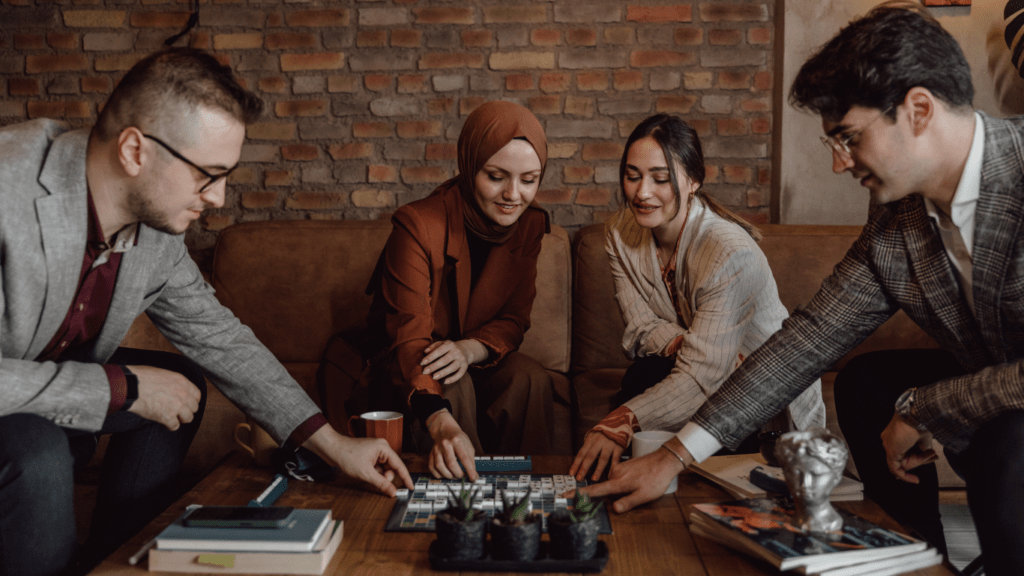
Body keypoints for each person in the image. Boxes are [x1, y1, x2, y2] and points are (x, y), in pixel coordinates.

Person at [583, 4, 1024, 574]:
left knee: (1012, 444)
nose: (840, 163)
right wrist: (671, 457)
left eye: (848, 137)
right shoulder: (898, 219)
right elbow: (808, 339)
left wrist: (928, 407)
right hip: (994, 378)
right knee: (867, 384)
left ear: (918, 110)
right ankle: (919, 557)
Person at [0, 47, 412, 576]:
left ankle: (115, 561)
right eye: (207, 174)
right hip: (19, 429)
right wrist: (120, 387)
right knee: (38, 446)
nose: (218, 198)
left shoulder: (155, 234)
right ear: (134, 150)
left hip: (41, 403)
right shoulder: (9, 189)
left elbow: (223, 340)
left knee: (177, 384)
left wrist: (333, 444)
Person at [568, 114, 825, 482]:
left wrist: (621, 420)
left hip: (760, 391)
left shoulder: (729, 250)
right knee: (644, 372)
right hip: (704, 367)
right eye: (632, 175)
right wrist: (688, 345)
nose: (642, 193)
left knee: (652, 389)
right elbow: (641, 327)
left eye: (660, 178)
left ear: (693, 181)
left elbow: (702, 375)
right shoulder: (619, 233)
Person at [350, 100, 556, 481]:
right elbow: (408, 337)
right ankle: (466, 505)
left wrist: (468, 349)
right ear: (468, 166)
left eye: (529, 180)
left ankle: (533, 494)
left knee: (530, 378)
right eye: (496, 176)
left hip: (475, 359)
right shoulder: (417, 225)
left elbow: (513, 319)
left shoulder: (530, 225)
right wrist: (440, 421)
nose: (514, 195)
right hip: (405, 368)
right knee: (451, 381)